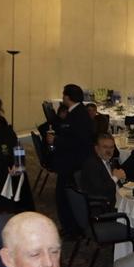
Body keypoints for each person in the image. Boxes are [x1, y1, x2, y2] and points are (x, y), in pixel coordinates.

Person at [46, 84, 95, 238]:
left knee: (66, 197)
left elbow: (78, 141)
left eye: (63, 95)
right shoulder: (78, 112)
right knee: (65, 196)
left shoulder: (77, 115)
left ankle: (71, 229)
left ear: (67, 97)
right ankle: (70, 228)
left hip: (72, 163)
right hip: (72, 162)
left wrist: (56, 140)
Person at [77, 133, 127, 210]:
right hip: (102, 206)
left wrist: (121, 178)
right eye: (105, 147)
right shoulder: (92, 164)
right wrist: (116, 177)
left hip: (116, 199)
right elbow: (101, 190)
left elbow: (116, 183)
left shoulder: (110, 161)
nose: (109, 151)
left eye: (111, 147)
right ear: (96, 149)